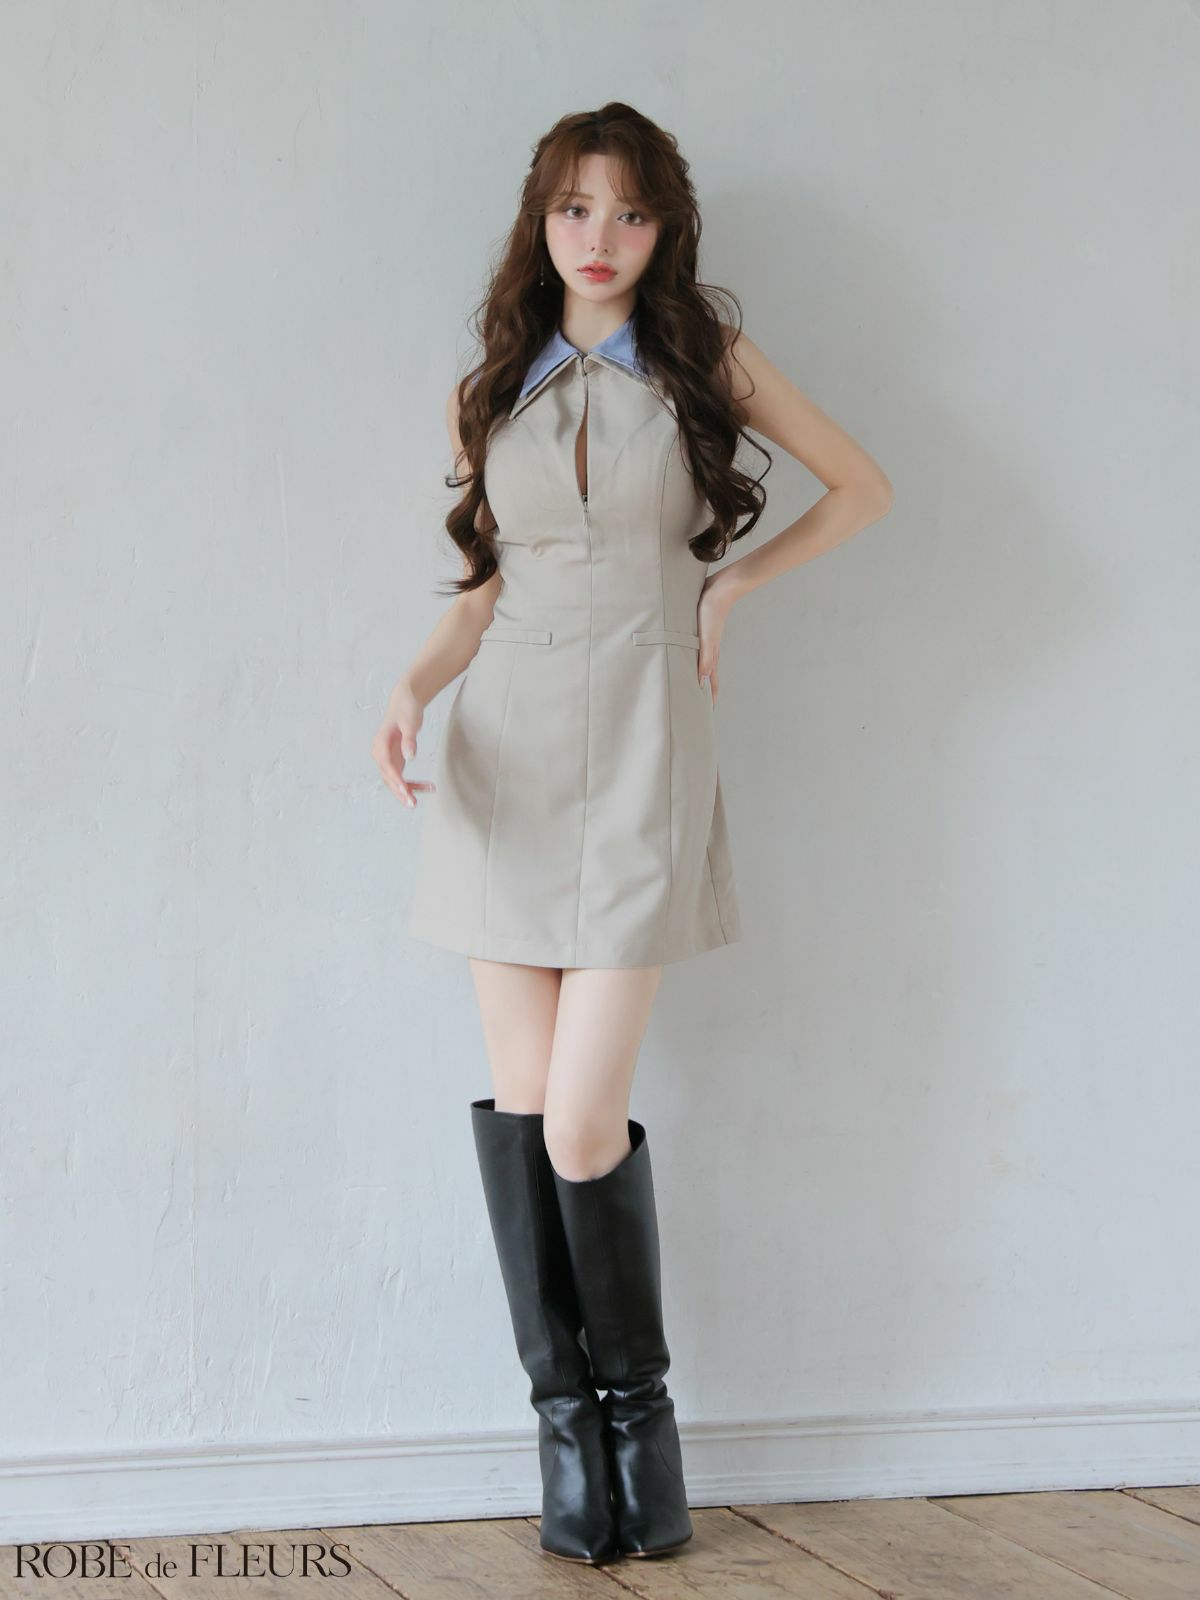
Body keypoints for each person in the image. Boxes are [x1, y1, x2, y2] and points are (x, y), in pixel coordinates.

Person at [373, 103, 893, 1566]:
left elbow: (864, 485)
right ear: (539, 223)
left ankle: (640, 1427)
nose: (599, 239)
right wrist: (410, 688)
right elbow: (484, 587)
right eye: (574, 210)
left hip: (650, 749)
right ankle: (572, 1441)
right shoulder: (492, 388)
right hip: (504, 757)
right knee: (526, 1102)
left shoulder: (705, 359)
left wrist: (732, 587)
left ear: (665, 230)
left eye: (630, 212)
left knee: (583, 1122)